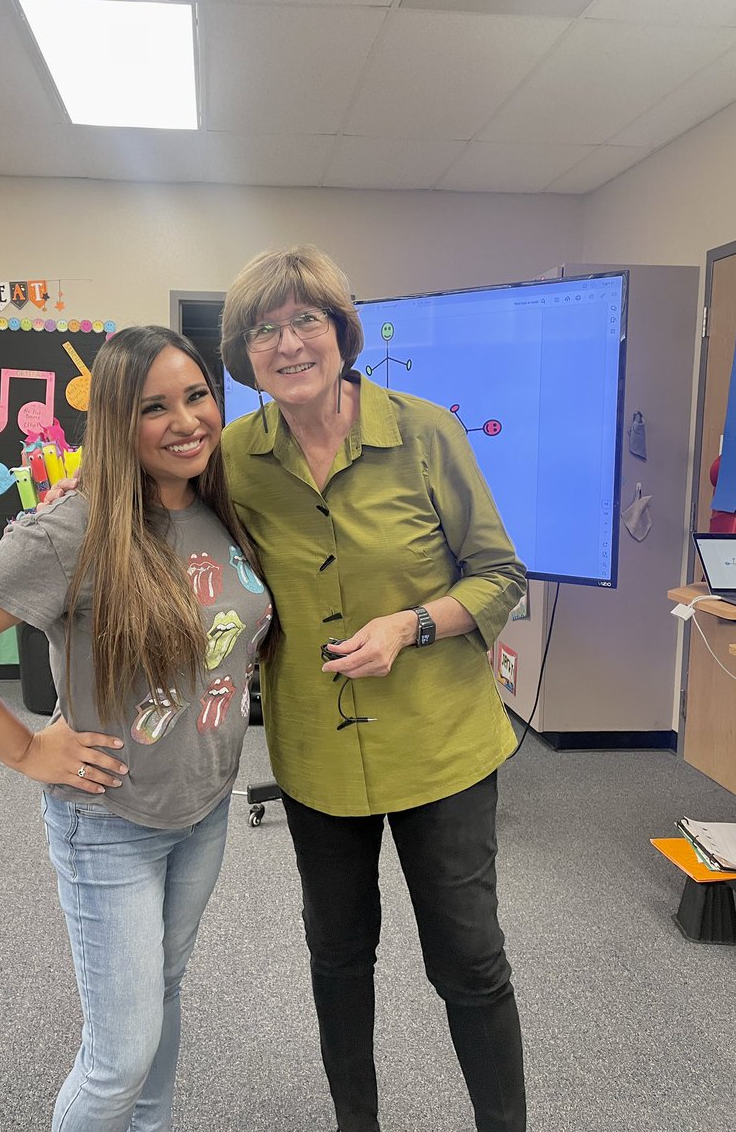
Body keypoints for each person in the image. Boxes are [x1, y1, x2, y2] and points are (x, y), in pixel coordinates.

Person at [0, 326, 272, 1132]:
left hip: (202, 807)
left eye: (197, 396)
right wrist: (29, 748)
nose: (186, 421)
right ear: (114, 422)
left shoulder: (218, 503)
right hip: (110, 821)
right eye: (154, 408)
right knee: (116, 1061)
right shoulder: (76, 526)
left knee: (166, 989)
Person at [218, 246, 528, 1132]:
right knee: (340, 956)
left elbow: (499, 575)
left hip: (443, 745)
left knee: (468, 961)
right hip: (317, 752)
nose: (287, 344)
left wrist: (411, 624)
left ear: (341, 330)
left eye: (305, 320)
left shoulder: (426, 431)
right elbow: (184, 552)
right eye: (263, 329)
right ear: (246, 352)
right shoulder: (236, 457)